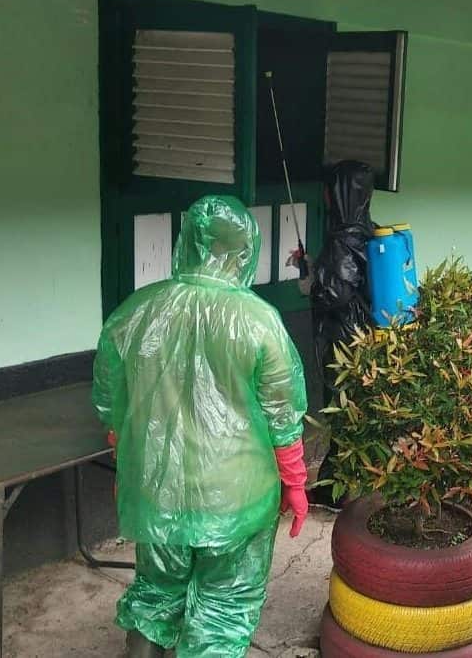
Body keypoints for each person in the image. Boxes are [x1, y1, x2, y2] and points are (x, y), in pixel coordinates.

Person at [92, 196, 309, 658]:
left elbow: (113, 407)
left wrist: (125, 465)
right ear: (246, 251)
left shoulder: (133, 313)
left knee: (156, 593)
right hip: (238, 497)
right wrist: (295, 485)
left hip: (155, 490)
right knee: (224, 605)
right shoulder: (259, 321)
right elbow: (283, 415)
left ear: (185, 243)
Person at [308, 161, 376, 510]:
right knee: (355, 413)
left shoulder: (343, 239)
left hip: (343, 340)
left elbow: (335, 294)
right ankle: (338, 486)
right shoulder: (369, 231)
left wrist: (312, 283)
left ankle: (334, 493)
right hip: (366, 337)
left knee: (341, 413)